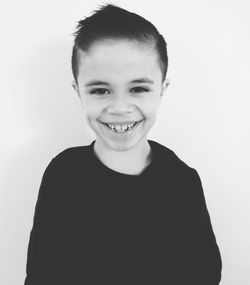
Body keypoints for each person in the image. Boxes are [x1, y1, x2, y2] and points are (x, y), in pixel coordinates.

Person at [24, 3, 222, 284]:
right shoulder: (63, 174)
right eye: (100, 90)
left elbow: (206, 273)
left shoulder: (183, 181)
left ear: (161, 90)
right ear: (78, 92)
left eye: (138, 88)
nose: (120, 107)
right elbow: (41, 275)